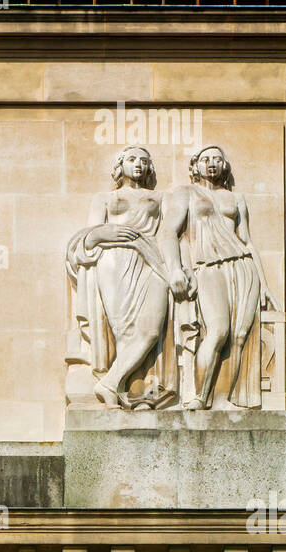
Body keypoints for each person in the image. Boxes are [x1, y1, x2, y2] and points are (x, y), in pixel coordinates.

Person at [67, 145, 191, 409]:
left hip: (152, 260)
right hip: (114, 260)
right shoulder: (104, 198)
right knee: (123, 330)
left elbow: (168, 233)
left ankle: (110, 383)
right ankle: (125, 389)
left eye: (143, 161)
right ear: (120, 165)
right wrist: (103, 234)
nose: (138, 164)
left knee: (150, 330)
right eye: (132, 159)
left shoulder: (159, 197)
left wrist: (176, 268)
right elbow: (88, 234)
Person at [162, 145, 277, 409]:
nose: (211, 163)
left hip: (243, 268)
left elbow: (247, 242)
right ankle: (200, 396)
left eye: (217, 159)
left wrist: (265, 285)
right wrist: (175, 269)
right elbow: (168, 232)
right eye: (205, 159)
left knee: (239, 337)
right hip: (209, 266)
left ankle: (224, 402)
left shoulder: (236, 199)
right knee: (218, 331)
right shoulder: (185, 193)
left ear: (224, 165)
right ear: (196, 166)